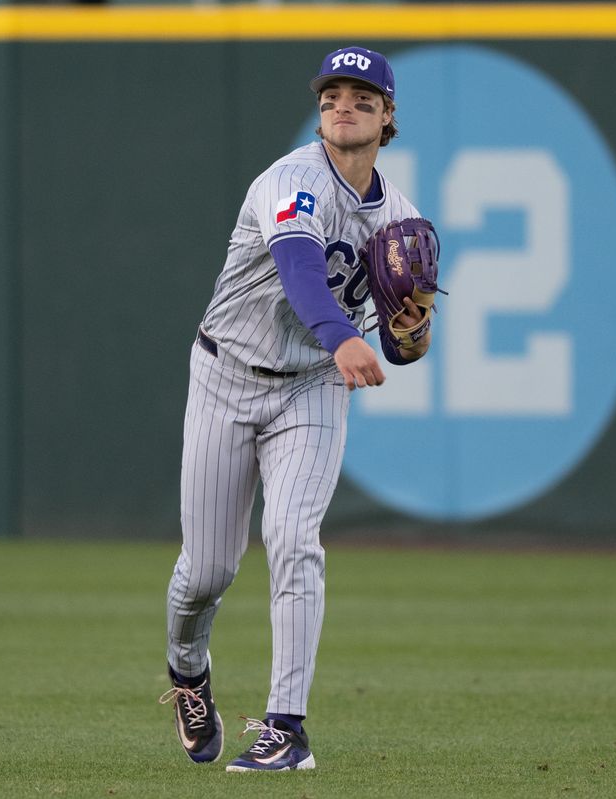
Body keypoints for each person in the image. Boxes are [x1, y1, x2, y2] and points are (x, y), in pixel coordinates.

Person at [159, 45, 432, 772]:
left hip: (310, 387)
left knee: (293, 537)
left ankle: (287, 728)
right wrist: (345, 335)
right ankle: (188, 671)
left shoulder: (400, 218)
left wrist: (411, 331)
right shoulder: (292, 178)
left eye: (362, 97)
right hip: (225, 373)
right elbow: (301, 270)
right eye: (333, 94)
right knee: (208, 570)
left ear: (387, 118)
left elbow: (404, 348)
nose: (344, 105)